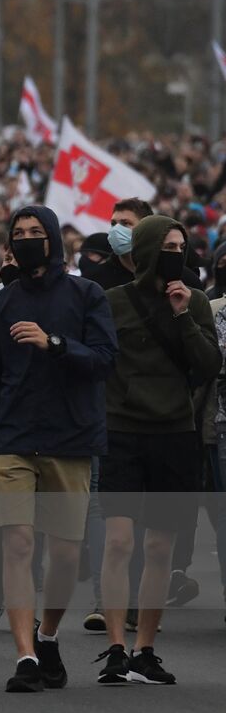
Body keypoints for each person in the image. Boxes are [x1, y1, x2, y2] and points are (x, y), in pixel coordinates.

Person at [0, 206, 118, 692]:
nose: (28, 240)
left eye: (36, 232)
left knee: (67, 555)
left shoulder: (87, 294)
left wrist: (55, 343)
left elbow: (105, 361)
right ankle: (25, 656)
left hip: (71, 438)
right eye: (19, 233)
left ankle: (48, 636)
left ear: (53, 239)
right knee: (19, 542)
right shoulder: (1, 304)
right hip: (12, 440)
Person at [96, 215, 220, 686]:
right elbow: (99, 363)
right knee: (120, 541)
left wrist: (184, 315)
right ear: (147, 249)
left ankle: (145, 648)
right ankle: (114, 646)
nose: (176, 252)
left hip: (175, 434)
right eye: (167, 245)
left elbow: (209, 364)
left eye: (182, 245)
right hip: (122, 432)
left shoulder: (197, 301)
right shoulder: (111, 302)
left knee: (160, 546)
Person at [83, 198, 152, 292]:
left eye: (126, 223)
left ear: (146, 228)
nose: (116, 229)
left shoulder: (163, 273)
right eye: (113, 223)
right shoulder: (93, 281)